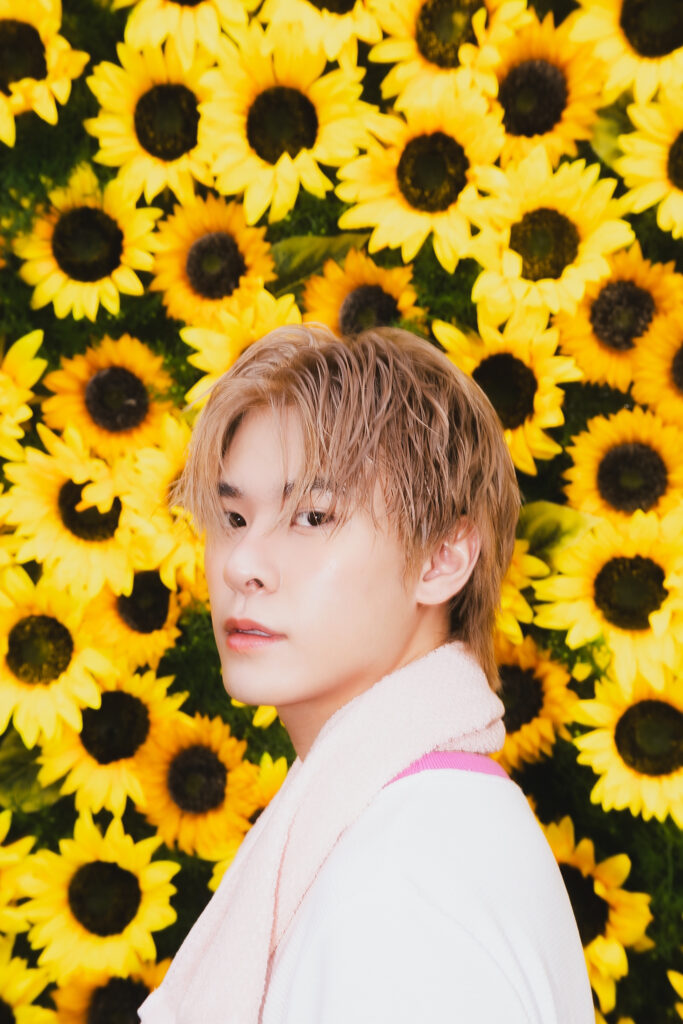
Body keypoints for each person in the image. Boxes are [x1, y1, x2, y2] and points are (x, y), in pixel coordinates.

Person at [138, 324, 594, 1024]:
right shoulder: (408, 829)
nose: (240, 564)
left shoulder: (406, 883)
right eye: (232, 516)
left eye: (312, 516)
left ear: (442, 557)